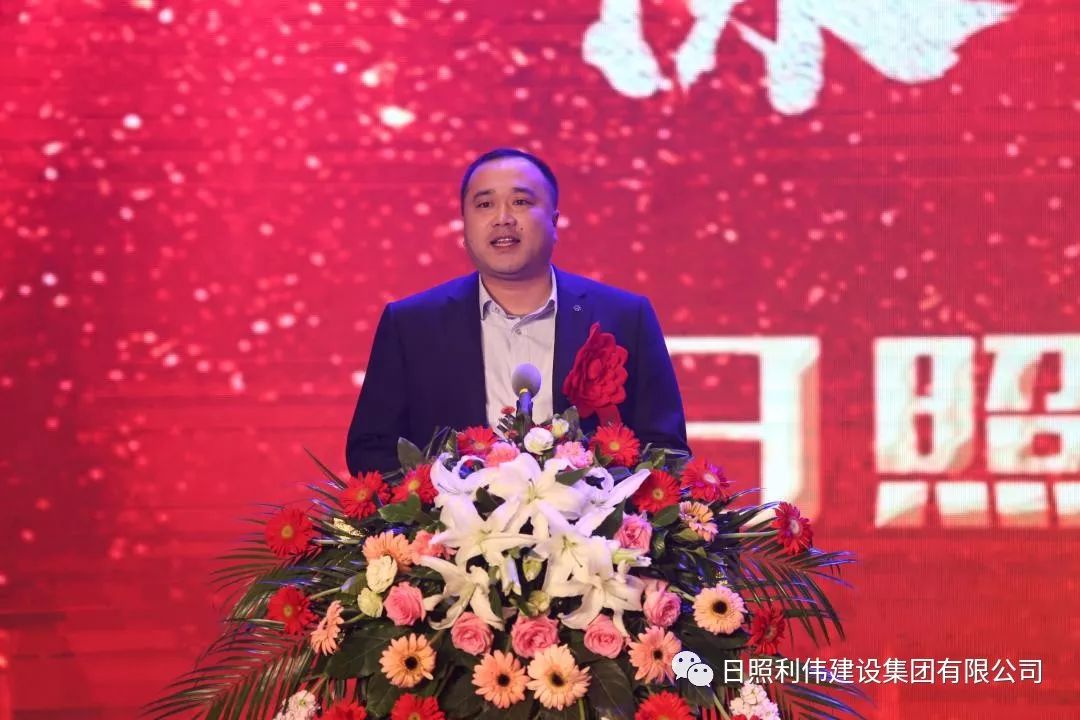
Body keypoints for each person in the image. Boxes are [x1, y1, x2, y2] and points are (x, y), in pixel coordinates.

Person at [345, 148, 688, 475]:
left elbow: (665, 450)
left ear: (554, 221)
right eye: (485, 204)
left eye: (521, 202)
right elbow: (372, 451)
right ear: (464, 224)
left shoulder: (625, 317)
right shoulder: (411, 326)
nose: (503, 219)